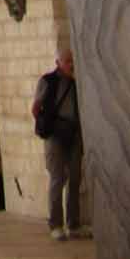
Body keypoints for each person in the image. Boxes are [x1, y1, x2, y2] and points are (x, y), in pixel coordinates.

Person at [33, 46, 83, 240]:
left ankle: (74, 224)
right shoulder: (48, 81)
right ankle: (55, 224)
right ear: (58, 63)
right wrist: (51, 124)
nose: (71, 64)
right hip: (55, 136)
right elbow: (36, 108)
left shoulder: (77, 82)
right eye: (67, 61)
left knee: (75, 178)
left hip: (74, 134)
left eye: (73, 61)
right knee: (57, 178)